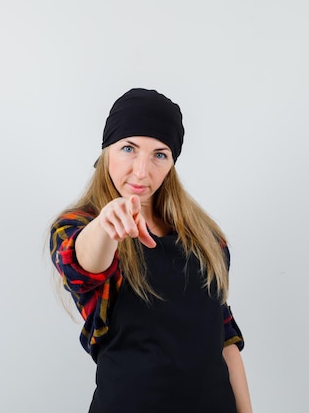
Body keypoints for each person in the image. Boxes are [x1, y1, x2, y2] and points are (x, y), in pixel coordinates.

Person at [49, 88, 252, 413]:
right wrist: (106, 225)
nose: (142, 170)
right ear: (107, 151)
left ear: (172, 162)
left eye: (159, 154)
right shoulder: (76, 227)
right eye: (128, 148)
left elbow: (224, 336)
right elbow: (80, 267)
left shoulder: (205, 238)